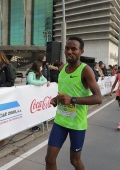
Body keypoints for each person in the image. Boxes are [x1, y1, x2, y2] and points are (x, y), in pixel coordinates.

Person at [45, 36, 102, 170]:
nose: (69, 51)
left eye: (74, 49)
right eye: (67, 48)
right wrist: (56, 99)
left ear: (81, 52)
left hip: (77, 124)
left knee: (75, 161)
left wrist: (73, 100)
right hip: (60, 121)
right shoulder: (62, 69)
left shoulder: (85, 70)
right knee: (49, 159)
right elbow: (65, 93)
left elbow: (98, 98)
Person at [26, 61, 48, 131]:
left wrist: (43, 82)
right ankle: (32, 125)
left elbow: (45, 80)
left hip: (37, 95)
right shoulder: (31, 73)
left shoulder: (39, 73)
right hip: (30, 94)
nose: (41, 68)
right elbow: (31, 81)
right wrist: (41, 83)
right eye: (40, 66)